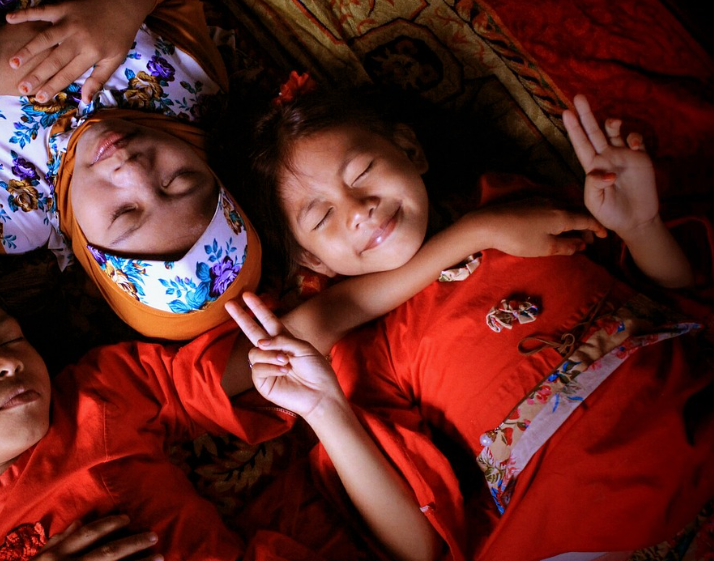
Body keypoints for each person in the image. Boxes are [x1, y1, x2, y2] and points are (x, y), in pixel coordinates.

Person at [226, 79, 712, 560]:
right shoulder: (371, 349)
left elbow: (676, 294)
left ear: (410, 150)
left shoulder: (507, 199)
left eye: (364, 172)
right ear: (313, 261)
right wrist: (325, 409)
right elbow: (417, 548)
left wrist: (641, 227)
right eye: (321, 217)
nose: (358, 209)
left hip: (683, 395)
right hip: (579, 509)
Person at [0, 265, 443, 561]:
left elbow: (281, 350)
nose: (5, 363)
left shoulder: (95, 398)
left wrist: (456, 244)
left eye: (11, 339)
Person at [0, 0, 260, 340]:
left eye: (124, 213)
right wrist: (122, 9)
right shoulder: (193, 85)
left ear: (92, 256)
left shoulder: (12, 217)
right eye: (179, 180)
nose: (133, 170)